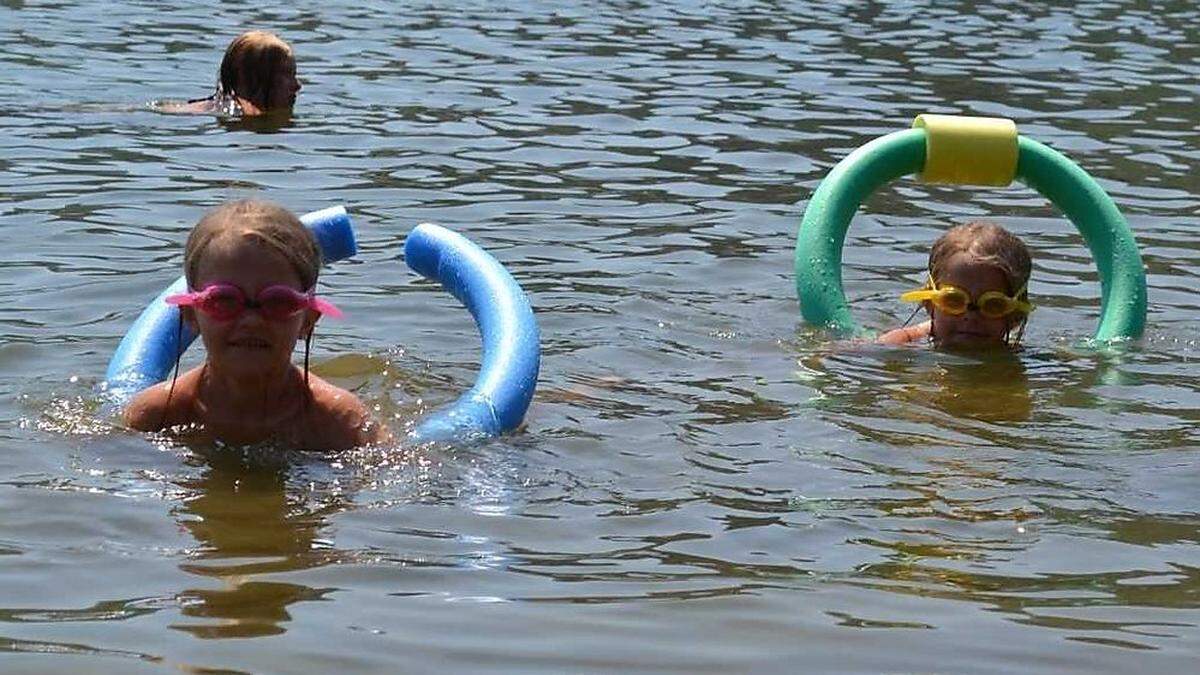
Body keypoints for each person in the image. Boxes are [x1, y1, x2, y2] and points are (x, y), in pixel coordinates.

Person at [123, 200, 386, 449]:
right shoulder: (157, 414)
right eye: (224, 300)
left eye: (278, 302)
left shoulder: (340, 423)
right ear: (191, 315)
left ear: (308, 320)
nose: (250, 320)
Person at [879, 221, 1033, 349]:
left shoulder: (1025, 357)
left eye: (993, 305)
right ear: (929, 303)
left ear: (1016, 316)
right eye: (953, 301)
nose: (970, 317)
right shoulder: (901, 345)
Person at [156, 31, 301, 117]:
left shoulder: (220, 108)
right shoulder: (235, 117)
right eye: (286, 75)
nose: (297, 86)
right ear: (250, 78)